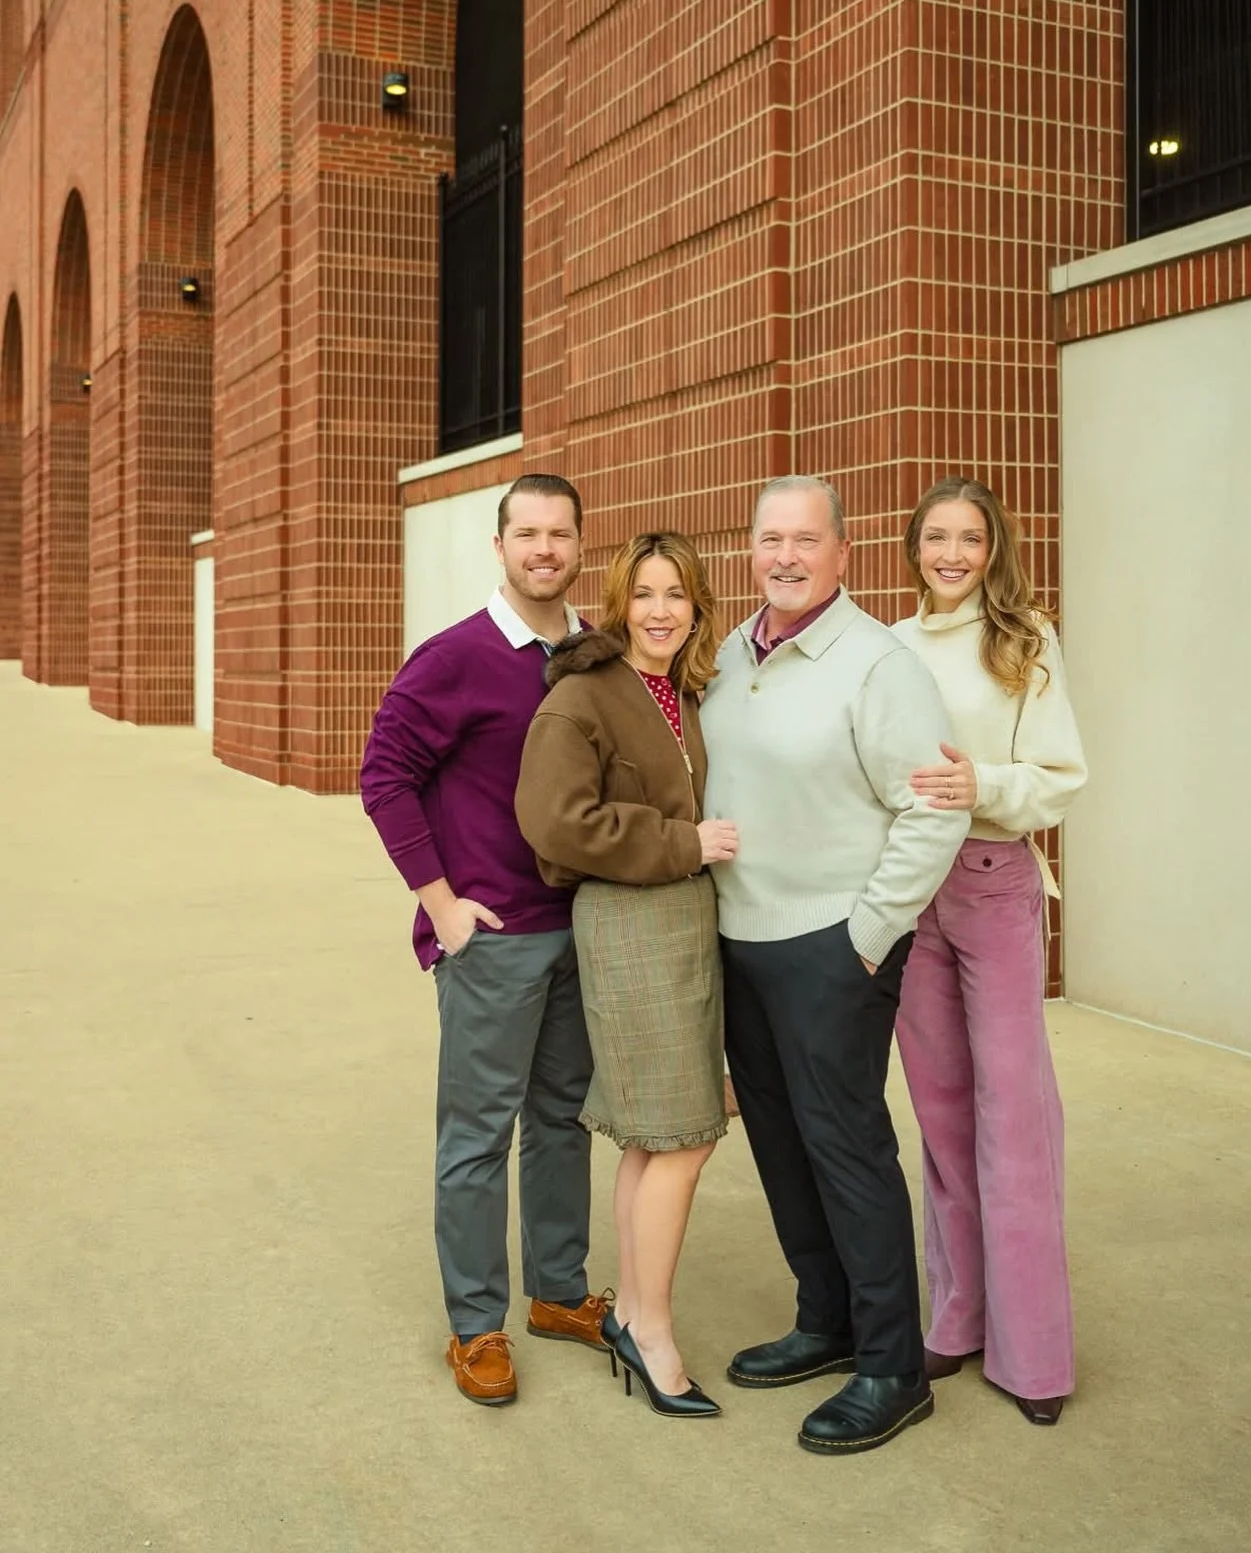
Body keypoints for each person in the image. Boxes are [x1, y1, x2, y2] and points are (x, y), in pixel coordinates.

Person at [700, 476, 969, 1456]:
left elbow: (933, 804)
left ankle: (893, 1365)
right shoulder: (732, 653)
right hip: (740, 937)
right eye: (770, 538)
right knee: (777, 1138)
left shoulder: (879, 664)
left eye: (805, 540)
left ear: (842, 553)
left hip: (830, 943)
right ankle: (828, 1318)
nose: (785, 556)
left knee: (846, 1145)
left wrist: (868, 932)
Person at [359, 474, 611, 1409]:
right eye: (528, 534)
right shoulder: (454, 658)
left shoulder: (591, 659)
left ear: (581, 545)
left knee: (561, 1121)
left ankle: (557, 1291)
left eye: (560, 534)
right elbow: (383, 777)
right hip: (493, 939)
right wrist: (442, 902)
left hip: (578, 932)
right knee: (477, 1135)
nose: (545, 549)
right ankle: (477, 1327)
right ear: (500, 547)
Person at [515, 533, 737, 1420]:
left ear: (696, 605)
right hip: (632, 918)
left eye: (676, 594)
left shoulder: (682, 689)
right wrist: (683, 843)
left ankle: (636, 1316)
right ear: (618, 603)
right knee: (685, 1133)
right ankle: (650, 1333)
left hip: (684, 919)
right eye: (643, 594)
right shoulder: (584, 695)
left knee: (655, 1135)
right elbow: (555, 823)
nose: (659, 611)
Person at [894, 476, 1087, 1425]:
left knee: (1015, 1117)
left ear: (993, 546)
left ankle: (1036, 1355)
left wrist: (982, 783)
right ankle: (958, 1316)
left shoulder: (1024, 638)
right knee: (939, 1115)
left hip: (994, 879)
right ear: (914, 546)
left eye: (970, 538)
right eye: (937, 537)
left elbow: (1060, 778)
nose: (953, 554)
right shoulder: (887, 648)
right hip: (911, 892)